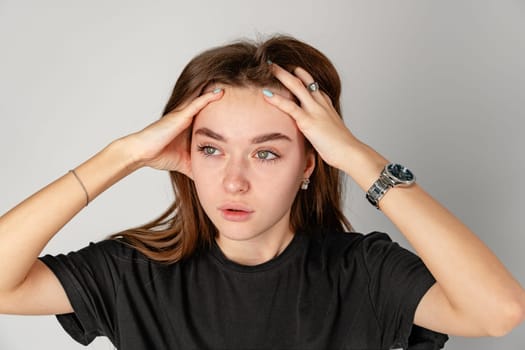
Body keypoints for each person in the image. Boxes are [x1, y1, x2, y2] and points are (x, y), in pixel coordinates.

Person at [0, 34, 523, 350]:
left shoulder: (363, 273)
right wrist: (121, 156)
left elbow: (497, 312)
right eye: (211, 149)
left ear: (309, 165)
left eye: (266, 152)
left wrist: (360, 159)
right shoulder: (132, 273)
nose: (234, 180)